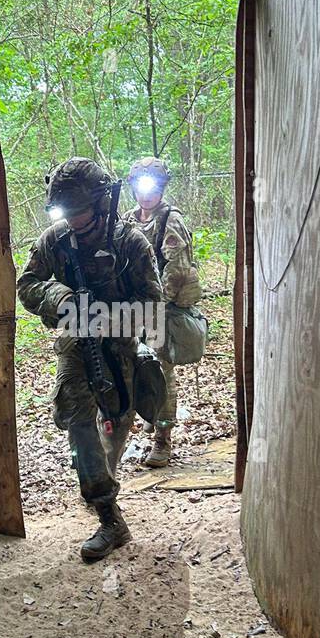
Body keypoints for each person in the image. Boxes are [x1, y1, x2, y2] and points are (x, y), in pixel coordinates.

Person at [16, 157, 164, 561]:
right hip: (75, 346)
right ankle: (108, 515)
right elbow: (26, 285)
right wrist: (59, 297)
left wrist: (106, 317)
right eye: (66, 212)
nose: (73, 220)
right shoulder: (55, 240)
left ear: (100, 203)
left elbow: (153, 305)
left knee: (117, 422)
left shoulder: (130, 242)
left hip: (120, 348)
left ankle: (103, 478)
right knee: (79, 422)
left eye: (79, 211)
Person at [124, 156, 202, 467]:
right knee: (134, 367)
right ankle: (148, 415)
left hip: (161, 309)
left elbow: (177, 270)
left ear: (161, 187)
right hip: (133, 308)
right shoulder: (129, 219)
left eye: (152, 187)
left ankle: (163, 439)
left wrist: (154, 306)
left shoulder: (171, 220)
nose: (146, 194)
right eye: (141, 187)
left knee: (162, 371)